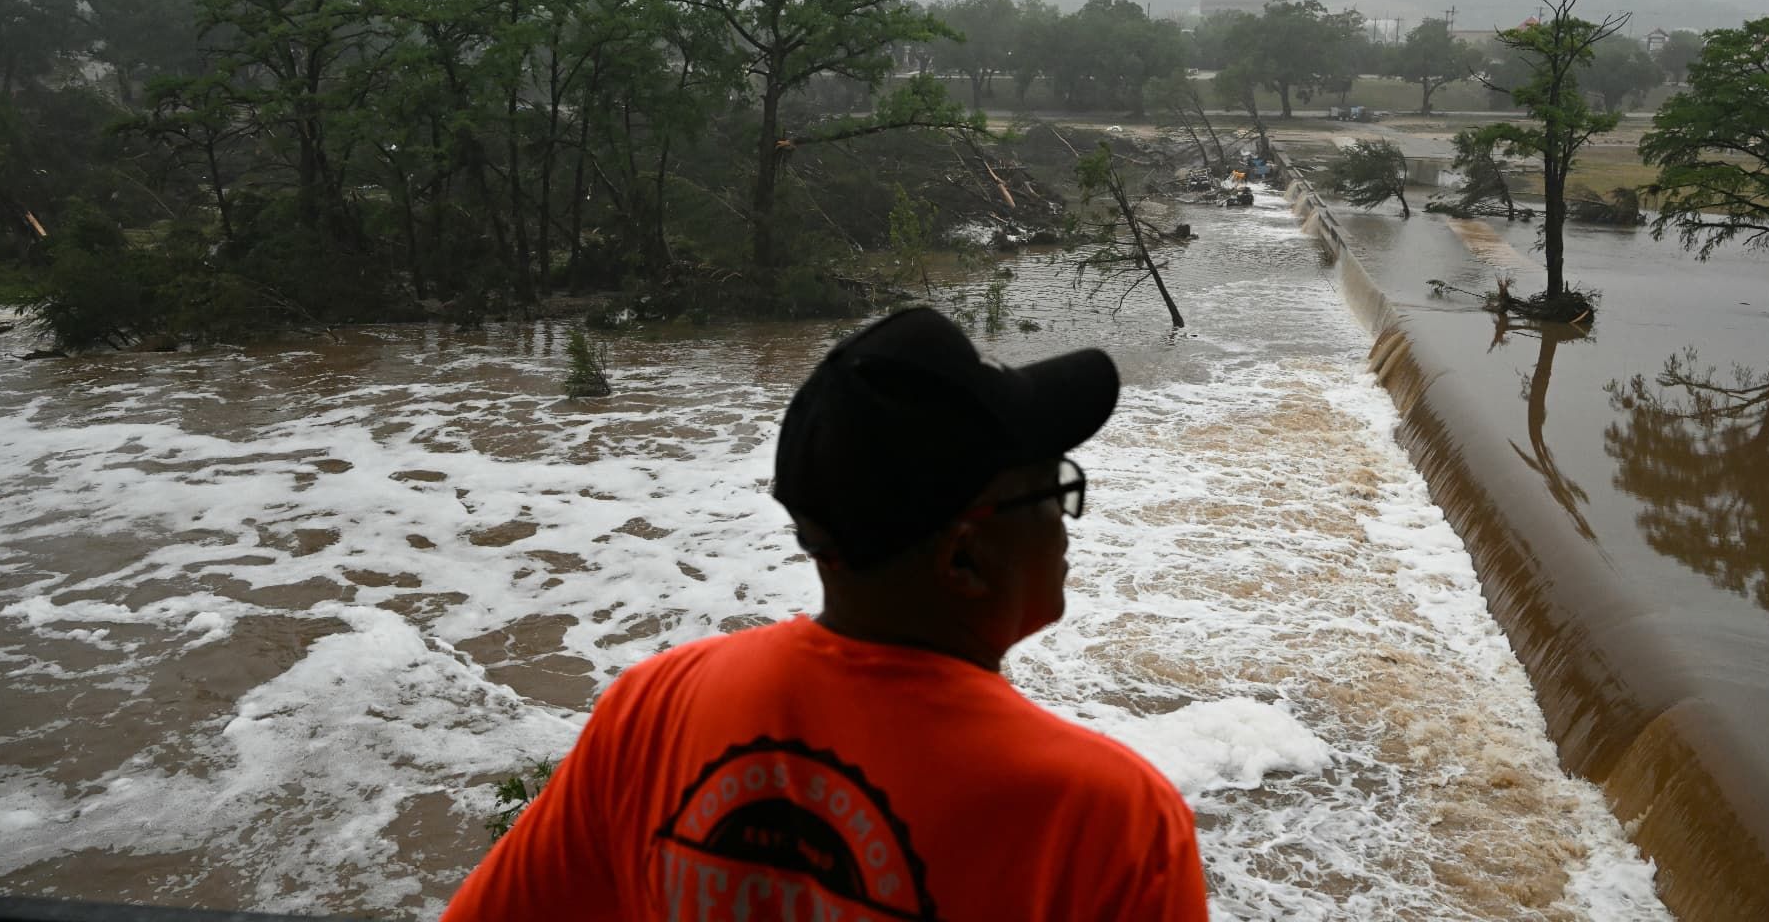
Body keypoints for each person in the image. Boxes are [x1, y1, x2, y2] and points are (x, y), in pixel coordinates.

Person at [443, 307, 1208, 921]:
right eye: (1053, 491)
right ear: (963, 559)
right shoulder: (1105, 820)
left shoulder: (658, 706)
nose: (1065, 525)